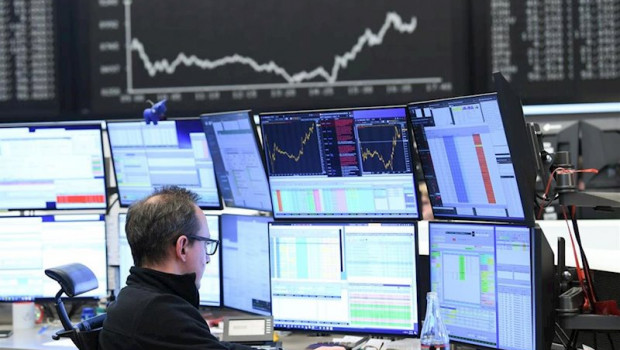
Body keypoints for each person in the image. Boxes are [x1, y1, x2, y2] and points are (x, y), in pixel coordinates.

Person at [99, 186, 252, 350]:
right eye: (206, 244)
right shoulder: (162, 314)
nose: (207, 258)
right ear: (183, 247)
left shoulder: (133, 298)